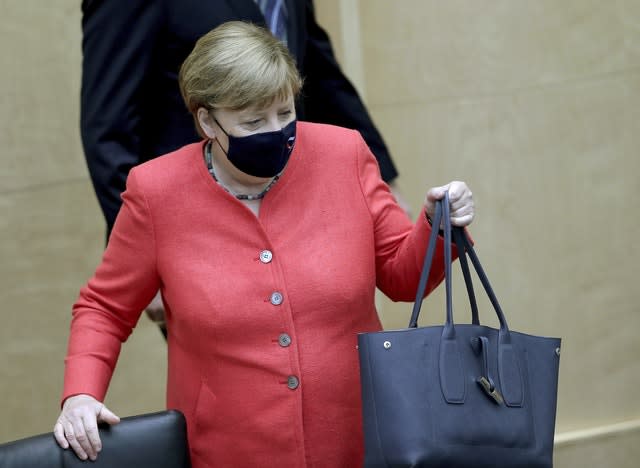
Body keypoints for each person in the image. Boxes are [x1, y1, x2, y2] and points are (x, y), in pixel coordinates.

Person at [55, 22, 475, 467]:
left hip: (360, 441)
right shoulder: (157, 192)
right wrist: (81, 393)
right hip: (227, 449)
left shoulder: (344, 154)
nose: (275, 131)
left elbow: (401, 276)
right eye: (253, 121)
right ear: (206, 121)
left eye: (285, 113)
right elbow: (104, 307)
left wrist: (436, 225)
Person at [81, 0, 409, 334]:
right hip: (199, 228)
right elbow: (108, 128)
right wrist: (145, 253)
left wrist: (384, 180)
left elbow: (320, 71)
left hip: (297, 209)